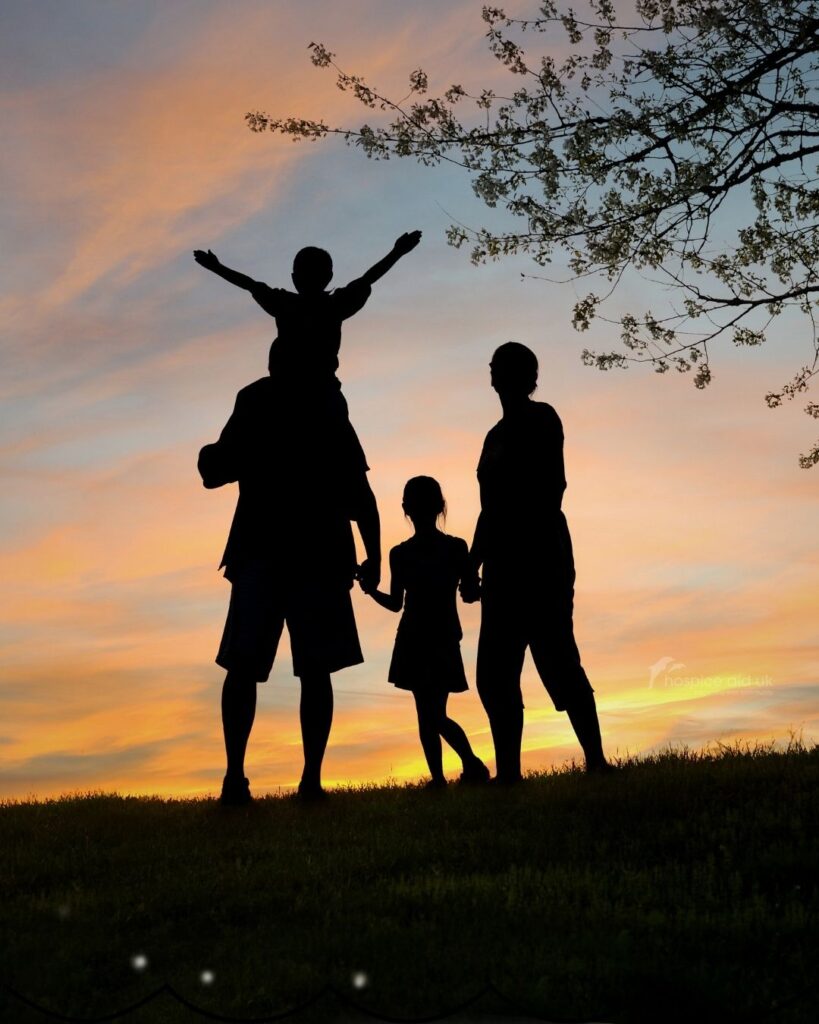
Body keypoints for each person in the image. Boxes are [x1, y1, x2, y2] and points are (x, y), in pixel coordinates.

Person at [198, 372, 382, 805]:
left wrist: (211, 459)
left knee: (251, 666)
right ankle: (301, 781)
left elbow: (216, 469)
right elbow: (360, 490)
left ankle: (245, 778)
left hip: (273, 551)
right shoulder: (324, 401)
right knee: (304, 670)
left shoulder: (267, 398)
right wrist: (372, 555)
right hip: (307, 553)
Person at [464, 342, 611, 782]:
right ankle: (509, 772)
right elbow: (487, 508)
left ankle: (597, 761)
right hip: (503, 565)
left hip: (541, 555)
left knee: (557, 657)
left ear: (523, 376)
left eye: (501, 368)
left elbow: (552, 487)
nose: (494, 375)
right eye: (493, 368)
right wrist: (474, 564)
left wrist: (511, 539)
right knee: (495, 673)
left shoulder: (542, 418)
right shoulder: (493, 437)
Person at [192, 232, 422, 426]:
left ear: (294, 278)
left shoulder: (292, 303)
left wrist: (217, 268)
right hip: (309, 390)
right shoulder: (325, 304)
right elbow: (368, 279)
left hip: (303, 390)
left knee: (248, 399)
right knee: (248, 399)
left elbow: (249, 284)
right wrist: (397, 252)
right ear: (328, 276)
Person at [359, 476, 489, 788]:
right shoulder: (455, 548)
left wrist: (368, 591)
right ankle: (449, 774)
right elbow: (471, 591)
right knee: (433, 712)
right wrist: (473, 586)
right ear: (440, 506)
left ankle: (463, 767)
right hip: (440, 635)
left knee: (428, 713)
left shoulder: (401, 553)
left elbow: (393, 604)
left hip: (416, 637)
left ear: (406, 509)